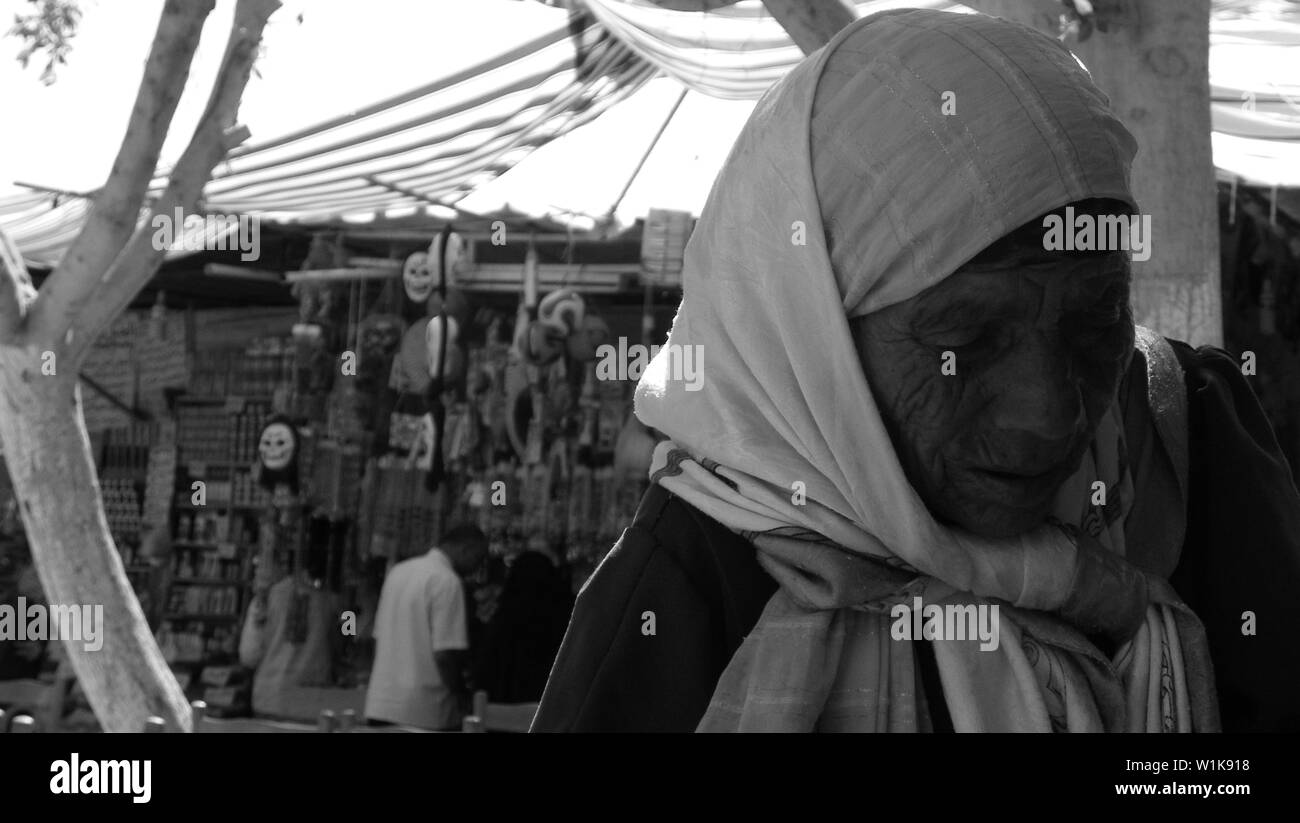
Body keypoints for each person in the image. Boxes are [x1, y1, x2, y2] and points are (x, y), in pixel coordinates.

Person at [533, 9, 1300, 733]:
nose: (1046, 414)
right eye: (963, 338)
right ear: (812, 339)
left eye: (1096, 318)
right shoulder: (690, 593)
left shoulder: (1187, 445)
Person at [365, 523, 488, 730]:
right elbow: (445, 654)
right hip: (424, 710)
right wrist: (460, 694)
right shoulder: (447, 581)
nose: (476, 568)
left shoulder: (398, 573)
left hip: (381, 703)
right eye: (478, 559)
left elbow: (378, 638)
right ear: (465, 549)